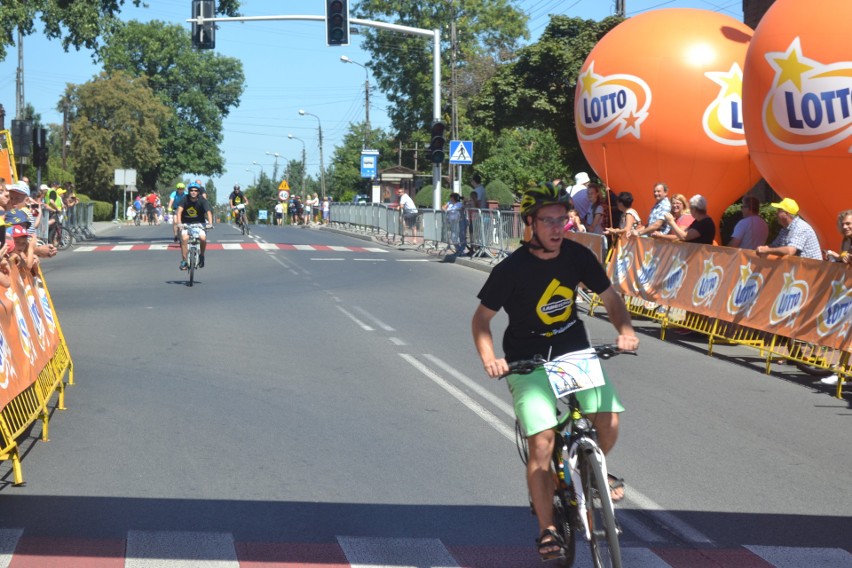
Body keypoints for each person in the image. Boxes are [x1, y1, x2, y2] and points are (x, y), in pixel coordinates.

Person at [471, 182, 639, 561]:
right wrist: (490, 359)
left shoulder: (577, 257)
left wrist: (625, 331)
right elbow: (481, 321)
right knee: (543, 442)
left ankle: (591, 471)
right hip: (527, 359)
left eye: (562, 219)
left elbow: (610, 298)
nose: (556, 228)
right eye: (547, 220)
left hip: (573, 351)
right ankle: (547, 528)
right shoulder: (510, 269)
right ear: (530, 224)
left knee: (608, 420)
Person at [756, 198, 822, 260]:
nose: (776, 213)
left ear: (786, 214)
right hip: (798, 268)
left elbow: (790, 251)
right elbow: (775, 245)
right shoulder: (785, 228)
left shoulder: (801, 227)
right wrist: (765, 248)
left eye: (779, 211)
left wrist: (767, 250)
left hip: (811, 270)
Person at [176, 182, 213, 270]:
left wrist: (210, 223)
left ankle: (202, 256)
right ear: (189, 191)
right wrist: (179, 223)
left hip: (200, 223)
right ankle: (184, 260)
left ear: (198, 192)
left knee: (203, 238)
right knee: (184, 239)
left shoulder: (202, 200)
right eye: (191, 190)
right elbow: (179, 212)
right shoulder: (184, 199)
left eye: (195, 190)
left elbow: (208, 212)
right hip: (186, 223)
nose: (193, 192)